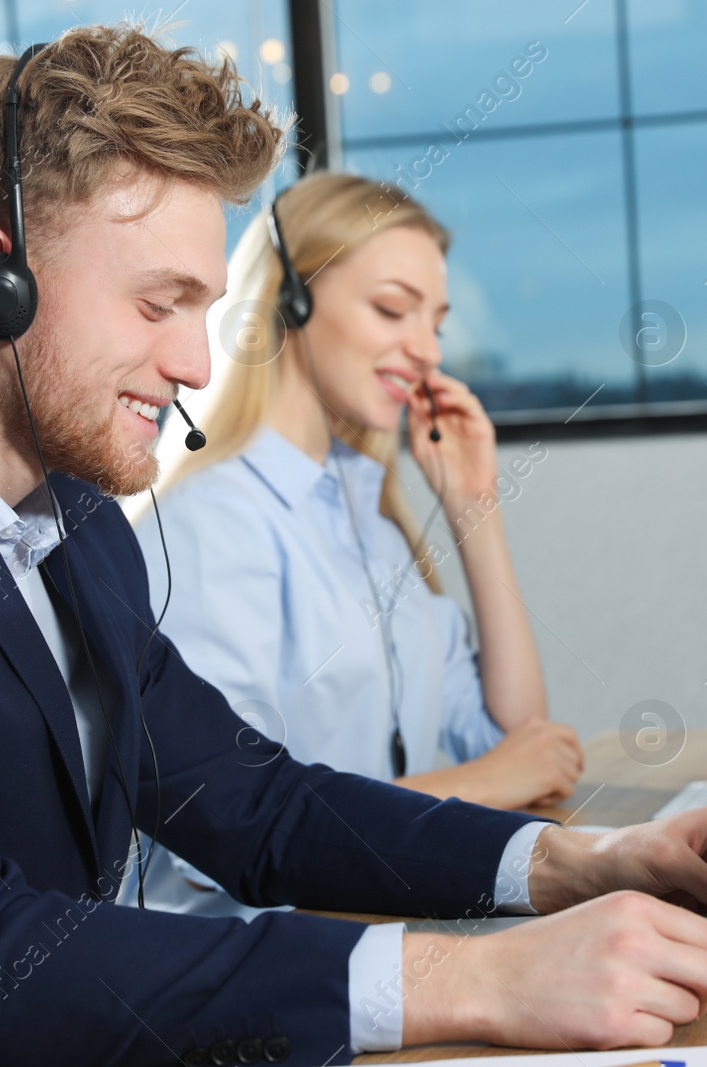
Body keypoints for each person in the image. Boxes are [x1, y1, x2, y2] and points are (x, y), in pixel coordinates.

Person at [0, 24, 707, 1066]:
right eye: (159, 304)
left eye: (204, 307)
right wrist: (475, 978)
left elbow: (257, 802)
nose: (199, 362)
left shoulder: (74, 509)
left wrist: (578, 861)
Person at [137, 172, 583, 818]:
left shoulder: (369, 518)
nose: (428, 351)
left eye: (436, 323)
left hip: (385, 909)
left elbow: (516, 745)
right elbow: (220, 819)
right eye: (392, 310)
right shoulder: (211, 523)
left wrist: (475, 508)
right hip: (288, 919)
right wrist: (478, 785)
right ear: (293, 301)